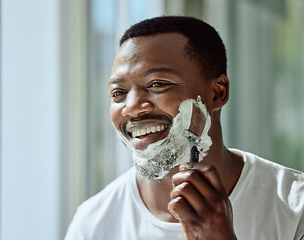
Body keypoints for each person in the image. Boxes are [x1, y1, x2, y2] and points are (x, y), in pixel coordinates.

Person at [65, 16, 304, 240]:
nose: (132, 108)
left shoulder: (295, 208)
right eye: (119, 93)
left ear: (217, 93)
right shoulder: (92, 224)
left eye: (156, 84)